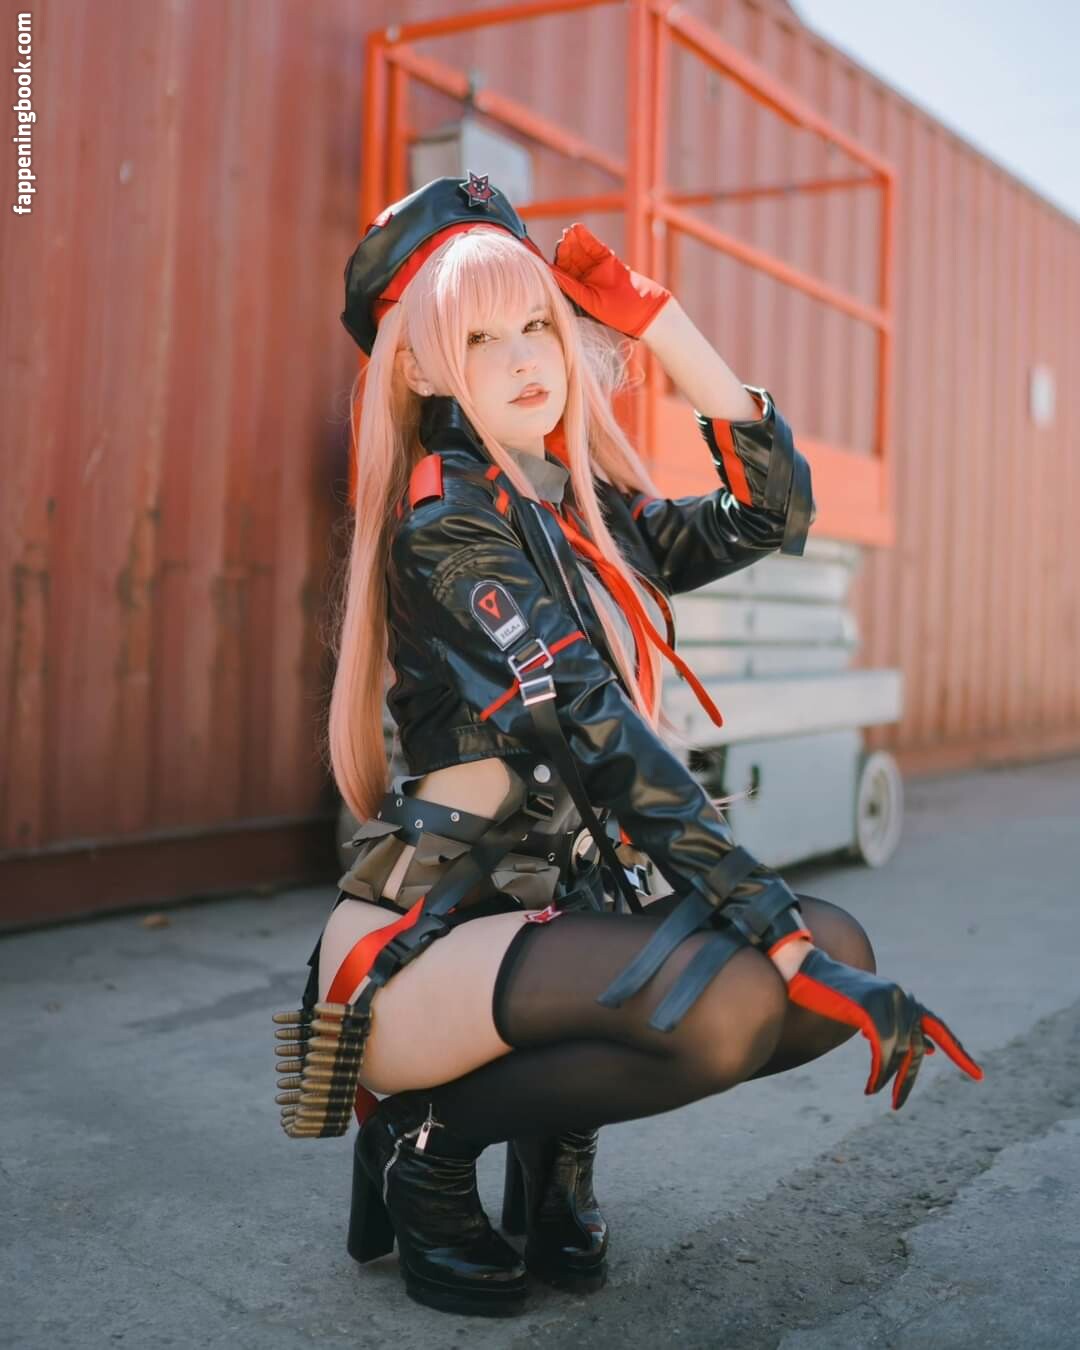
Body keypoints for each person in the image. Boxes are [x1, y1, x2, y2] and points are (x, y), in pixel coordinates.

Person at [273, 174, 983, 1320]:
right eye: (480, 337)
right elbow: (596, 727)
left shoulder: (578, 507)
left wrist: (666, 328)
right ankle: (427, 1143)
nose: (525, 359)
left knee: (832, 955)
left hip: (558, 919)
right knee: (740, 996)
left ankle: (557, 1158)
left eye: (538, 323)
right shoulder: (446, 519)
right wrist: (772, 926)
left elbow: (770, 518)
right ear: (421, 369)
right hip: (431, 939)